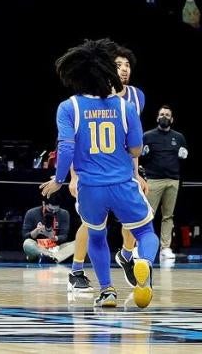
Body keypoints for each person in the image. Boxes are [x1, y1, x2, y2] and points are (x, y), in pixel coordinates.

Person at [40, 39, 157, 309]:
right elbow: (136, 147)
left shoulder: (69, 107)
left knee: (96, 236)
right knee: (145, 232)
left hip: (90, 188)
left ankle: (107, 291)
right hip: (123, 182)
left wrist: (59, 180)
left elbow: (66, 147)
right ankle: (143, 262)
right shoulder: (126, 106)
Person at [141, 105, 188, 260]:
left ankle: (165, 248)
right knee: (148, 215)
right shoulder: (147, 136)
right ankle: (143, 245)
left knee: (168, 216)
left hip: (173, 180)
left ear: (172, 119)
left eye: (167, 115)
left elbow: (184, 158)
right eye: (161, 114)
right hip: (153, 180)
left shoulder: (179, 137)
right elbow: (137, 157)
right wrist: (144, 154)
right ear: (157, 118)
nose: (164, 117)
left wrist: (184, 155)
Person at [22, 196, 73, 263]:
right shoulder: (31, 213)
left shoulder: (64, 213)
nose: (53, 212)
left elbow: (64, 236)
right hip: (38, 247)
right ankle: (49, 256)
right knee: (27, 243)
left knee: (76, 244)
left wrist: (53, 237)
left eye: (56, 210)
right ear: (44, 204)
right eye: (51, 210)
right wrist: (36, 231)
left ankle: (49, 257)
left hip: (56, 248)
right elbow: (25, 236)